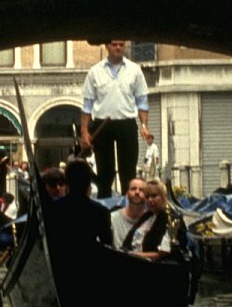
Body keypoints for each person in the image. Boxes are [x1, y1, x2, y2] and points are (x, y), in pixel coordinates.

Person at [80, 39, 152, 198]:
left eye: (121, 44)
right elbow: (87, 105)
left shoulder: (135, 70)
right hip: (102, 125)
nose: (118, 48)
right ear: (107, 46)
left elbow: (142, 101)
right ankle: (105, 212)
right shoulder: (95, 71)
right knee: (105, 172)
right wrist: (84, 131)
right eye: (114, 44)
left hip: (126, 124)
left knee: (129, 171)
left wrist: (144, 126)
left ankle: (130, 208)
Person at [44, 157, 113, 249]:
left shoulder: (52, 209)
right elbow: (107, 242)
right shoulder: (100, 211)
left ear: (67, 182)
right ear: (89, 182)